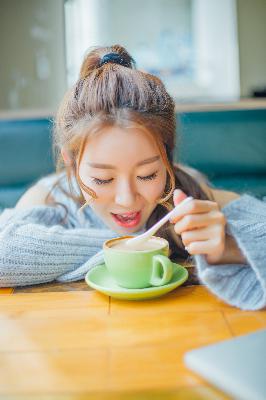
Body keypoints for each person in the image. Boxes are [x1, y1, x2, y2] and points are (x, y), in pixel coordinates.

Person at [0, 45, 265, 311]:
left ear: (167, 161)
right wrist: (140, 246)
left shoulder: (187, 193)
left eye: (147, 175)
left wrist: (231, 247)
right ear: (72, 162)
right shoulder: (52, 197)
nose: (127, 199)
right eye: (103, 179)